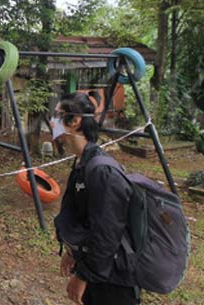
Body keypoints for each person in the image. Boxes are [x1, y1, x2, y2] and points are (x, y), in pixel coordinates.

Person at [52, 92, 139, 305]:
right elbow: (84, 221)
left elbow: (107, 233)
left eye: (58, 115)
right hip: (98, 272)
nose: (53, 121)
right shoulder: (81, 163)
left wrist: (83, 276)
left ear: (75, 121)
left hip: (114, 280)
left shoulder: (102, 172)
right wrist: (73, 253)